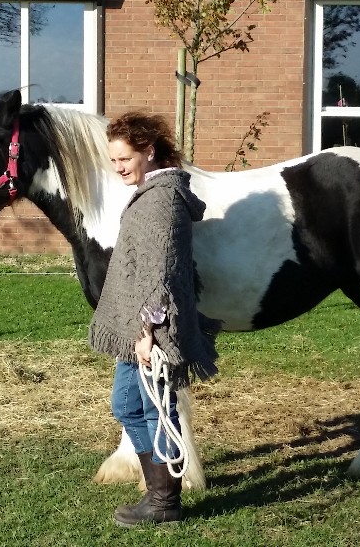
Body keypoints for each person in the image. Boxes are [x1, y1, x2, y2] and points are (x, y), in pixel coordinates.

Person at [89, 111, 221, 527]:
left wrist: (146, 332)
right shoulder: (152, 193)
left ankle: (165, 501)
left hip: (153, 330)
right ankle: (159, 492)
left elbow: (159, 273)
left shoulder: (162, 200)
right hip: (137, 327)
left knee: (154, 409)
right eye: (113, 160)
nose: (118, 167)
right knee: (128, 405)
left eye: (124, 158)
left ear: (148, 151)